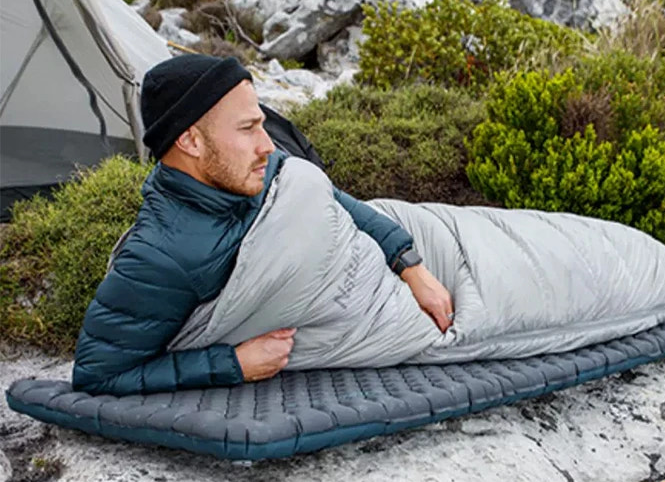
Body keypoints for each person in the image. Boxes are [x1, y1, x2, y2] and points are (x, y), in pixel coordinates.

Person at [71, 55, 454, 397]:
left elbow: (337, 201)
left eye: (262, 125)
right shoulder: (162, 256)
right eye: (247, 128)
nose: (267, 145)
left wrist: (411, 264)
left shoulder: (243, 171)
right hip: (379, 315)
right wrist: (232, 363)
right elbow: (98, 374)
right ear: (190, 141)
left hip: (412, 243)